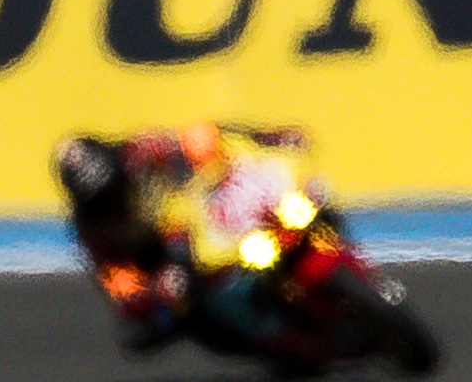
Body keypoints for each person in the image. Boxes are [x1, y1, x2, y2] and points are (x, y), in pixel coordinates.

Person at [52, 123, 308, 356]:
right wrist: (152, 289)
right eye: (105, 198)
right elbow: (118, 282)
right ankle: (260, 336)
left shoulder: (141, 151)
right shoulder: (90, 229)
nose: (116, 197)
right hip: (163, 263)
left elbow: (200, 137)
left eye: (115, 185)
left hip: (198, 218)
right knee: (159, 319)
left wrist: (262, 137)